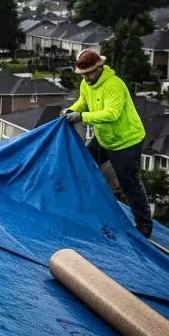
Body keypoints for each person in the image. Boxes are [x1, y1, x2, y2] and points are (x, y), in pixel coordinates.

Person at [63, 48, 152, 237]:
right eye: (82, 74)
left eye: (88, 73)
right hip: (104, 138)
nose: (86, 78)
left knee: (129, 183)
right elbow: (83, 101)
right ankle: (83, 207)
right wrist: (71, 109)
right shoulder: (87, 84)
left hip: (126, 141)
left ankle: (145, 225)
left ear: (99, 67)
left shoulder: (114, 85)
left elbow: (112, 114)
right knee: (83, 163)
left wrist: (81, 116)